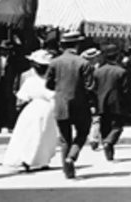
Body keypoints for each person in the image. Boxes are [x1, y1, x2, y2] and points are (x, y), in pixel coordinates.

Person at [46, 31, 96, 179]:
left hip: (61, 104)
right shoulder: (84, 63)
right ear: (78, 45)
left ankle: (68, 171)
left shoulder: (55, 62)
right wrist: (93, 103)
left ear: (62, 45)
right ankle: (72, 157)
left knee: (64, 138)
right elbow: (90, 87)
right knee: (82, 132)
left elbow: (48, 84)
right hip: (80, 104)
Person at [2, 50, 58, 171]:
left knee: (29, 134)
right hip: (47, 108)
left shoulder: (30, 81)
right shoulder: (52, 82)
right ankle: (42, 160)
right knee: (45, 135)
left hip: (32, 108)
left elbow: (22, 98)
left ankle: (28, 158)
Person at [93, 44, 128, 161]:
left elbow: (93, 89)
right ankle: (109, 143)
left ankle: (108, 149)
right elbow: (126, 90)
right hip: (117, 104)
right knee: (117, 127)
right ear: (117, 56)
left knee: (105, 127)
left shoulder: (98, 72)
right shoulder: (121, 71)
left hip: (101, 104)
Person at [0, 40, 21, 134]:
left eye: (6, 50)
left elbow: (16, 75)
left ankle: (10, 126)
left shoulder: (13, 60)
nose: (4, 51)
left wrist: (15, 87)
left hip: (8, 85)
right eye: (3, 50)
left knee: (9, 107)